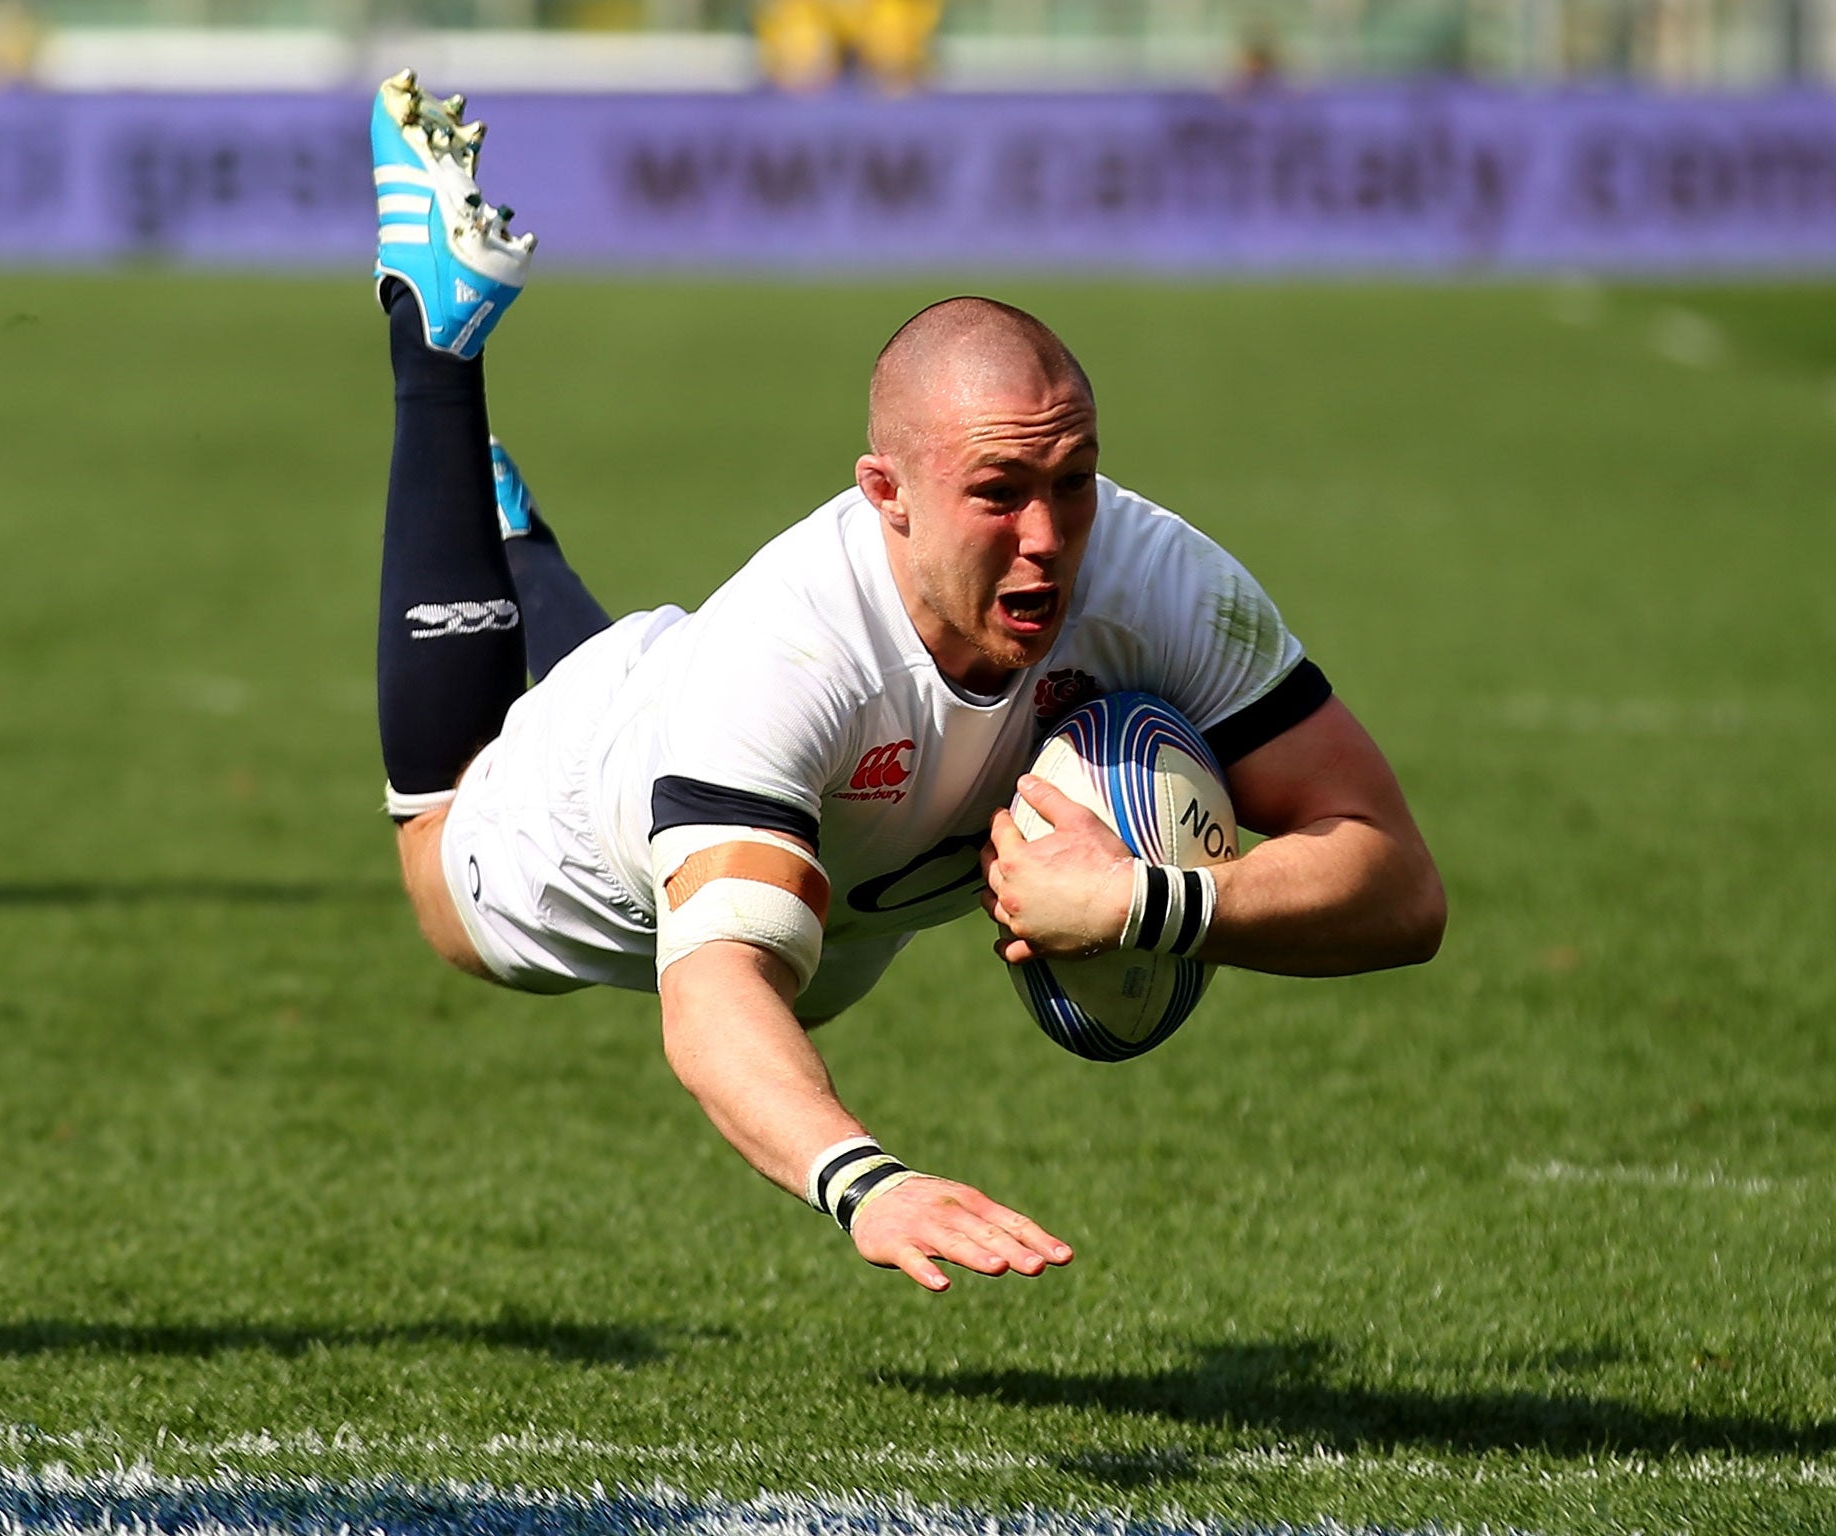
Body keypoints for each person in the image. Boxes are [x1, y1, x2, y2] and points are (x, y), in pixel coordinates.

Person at [367, 73, 1448, 1292]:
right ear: (883, 494)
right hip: (593, 829)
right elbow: (714, 990)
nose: (1048, 536)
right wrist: (862, 1179)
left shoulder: (1153, 577)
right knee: (436, 855)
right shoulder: (789, 657)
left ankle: (529, 557)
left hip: (806, 834)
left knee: (749, 814)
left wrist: (1150, 905)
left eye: (1074, 478)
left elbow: (1398, 887)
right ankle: (435, 342)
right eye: (997, 494)